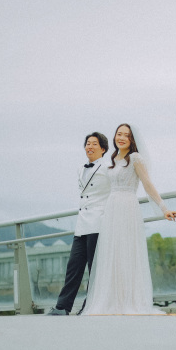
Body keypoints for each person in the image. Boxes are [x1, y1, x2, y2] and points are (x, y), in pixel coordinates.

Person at [81, 123, 176, 315]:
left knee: (126, 252)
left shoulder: (135, 158)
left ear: (132, 139)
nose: (122, 138)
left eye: (126, 135)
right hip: (111, 209)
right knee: (112, 253)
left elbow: (147, 184)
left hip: (127, 207)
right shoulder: (112, 159)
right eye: (119, 134)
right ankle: (113, 300)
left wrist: (163, 208)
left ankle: (129, 300)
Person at [46, 132, 110, 315]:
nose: (89, 147)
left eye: (94, 144)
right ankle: (62, 307)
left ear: (103, 149)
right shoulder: (80, 169)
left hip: (99, 223)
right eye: (87, 144)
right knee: (73, 267)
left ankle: (89, 307)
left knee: (94, 269)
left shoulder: (108, 168)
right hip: (82, 224)